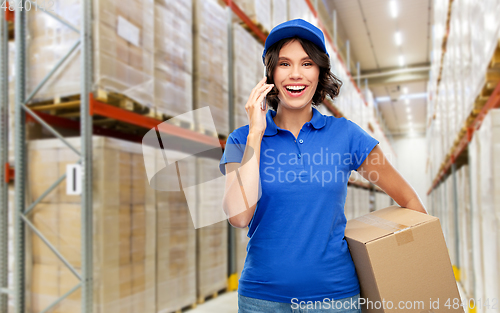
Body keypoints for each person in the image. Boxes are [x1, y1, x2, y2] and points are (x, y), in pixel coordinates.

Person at [219, 19, 427, 313]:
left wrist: (413, 270)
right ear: (271, 74)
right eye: (284, 64)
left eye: (306, 63)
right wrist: (256, 132)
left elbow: (408, 199)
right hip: (262, 299)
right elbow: (239, 216)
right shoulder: (241, 139)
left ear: (319, 71)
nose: (295, 74)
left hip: (335, 299)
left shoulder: (347, 135)